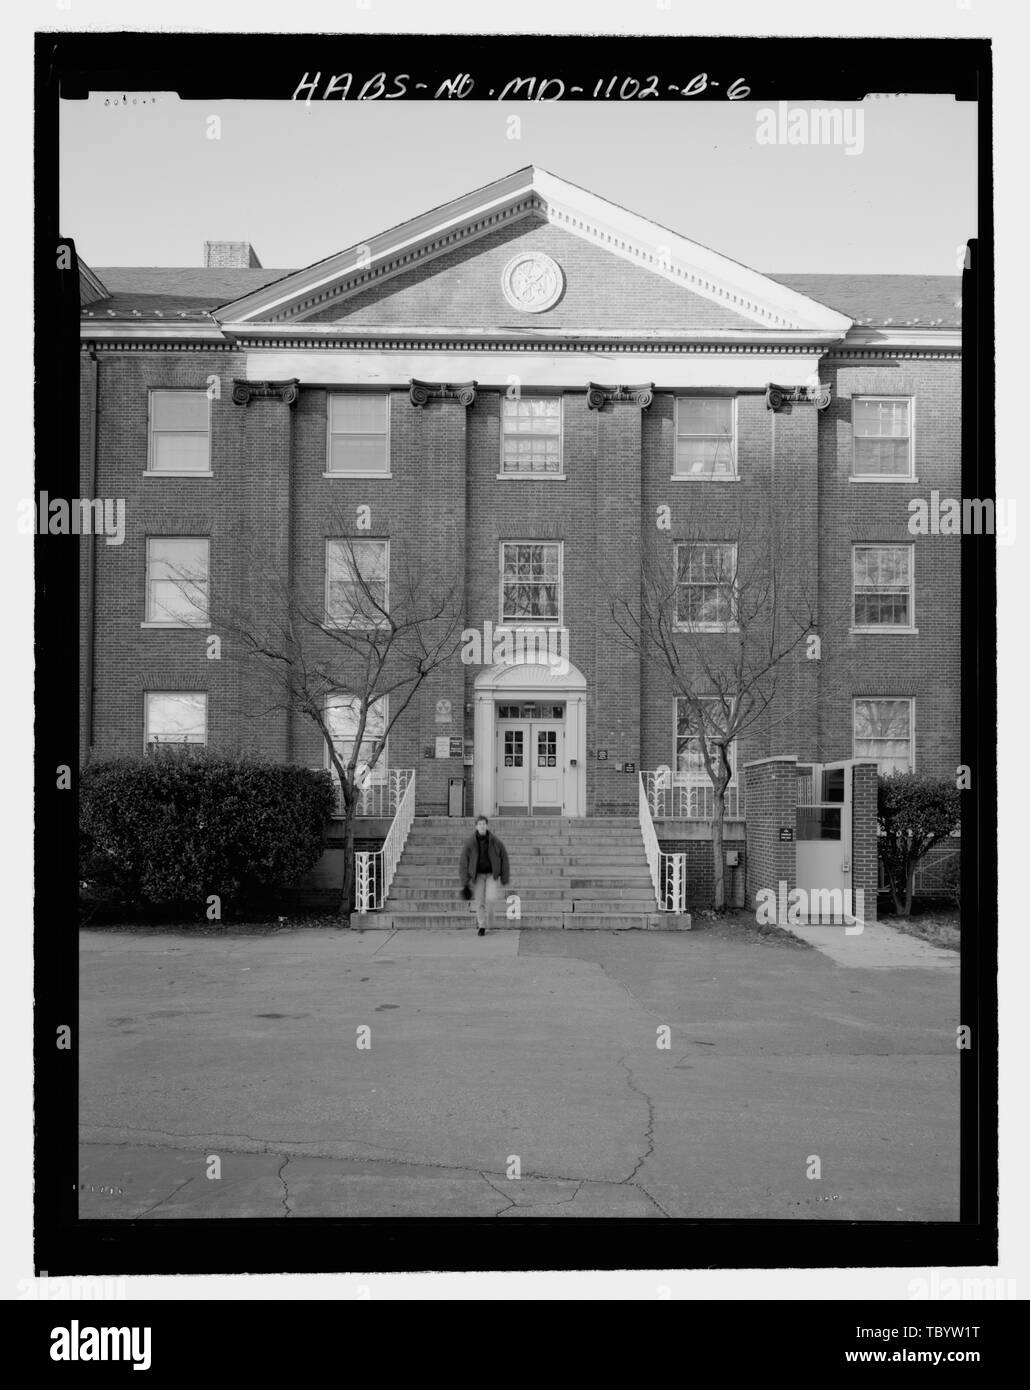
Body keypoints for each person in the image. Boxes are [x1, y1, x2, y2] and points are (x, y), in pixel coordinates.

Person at [459, 815, 510, 936]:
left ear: (487, 826)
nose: (482, 826)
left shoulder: (495, 841)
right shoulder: (470, 843)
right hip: (478, 876)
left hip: (491, 874)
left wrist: (504, 876)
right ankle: (482, 926)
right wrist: (465, 882)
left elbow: (504, 857)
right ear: (476, 826)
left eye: (484, 824)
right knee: (480, 901)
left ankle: (490, 920)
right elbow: (463, 862)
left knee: (491, 899)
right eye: (480, 824)